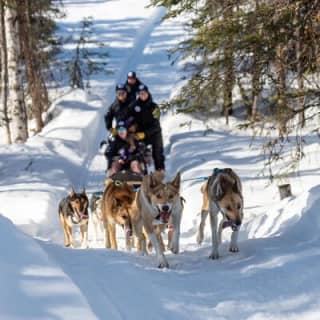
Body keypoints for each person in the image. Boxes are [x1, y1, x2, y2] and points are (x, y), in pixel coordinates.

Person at [127, 84, 165, 172]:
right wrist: (131, 125)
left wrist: (145, 134)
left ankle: (160, 170)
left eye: (144, 93)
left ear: (148, 93)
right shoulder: (134, 106)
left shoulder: (154, 107)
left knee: (158, 152)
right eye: (140, 93)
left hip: (154, 133)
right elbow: (129, 119)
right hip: (139, 133)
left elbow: (156, 125)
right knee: (136, 150)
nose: (142, 95)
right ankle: (140, 171)